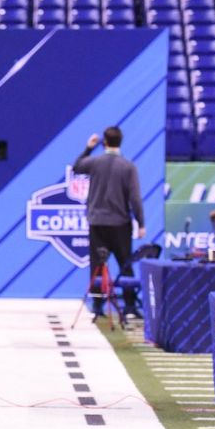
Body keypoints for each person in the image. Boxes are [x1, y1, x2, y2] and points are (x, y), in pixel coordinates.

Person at [73, 127, 145, 319]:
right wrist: (141, 223)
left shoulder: (95, 162)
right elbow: (135, 198)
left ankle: (97, 306)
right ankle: (129, 306)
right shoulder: (128, 166)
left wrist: (88, 148)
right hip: (120, 224)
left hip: (97, 223)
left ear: (104, 142)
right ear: (120, 142)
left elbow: (76, 167)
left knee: (97, 265)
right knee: (125, 265)